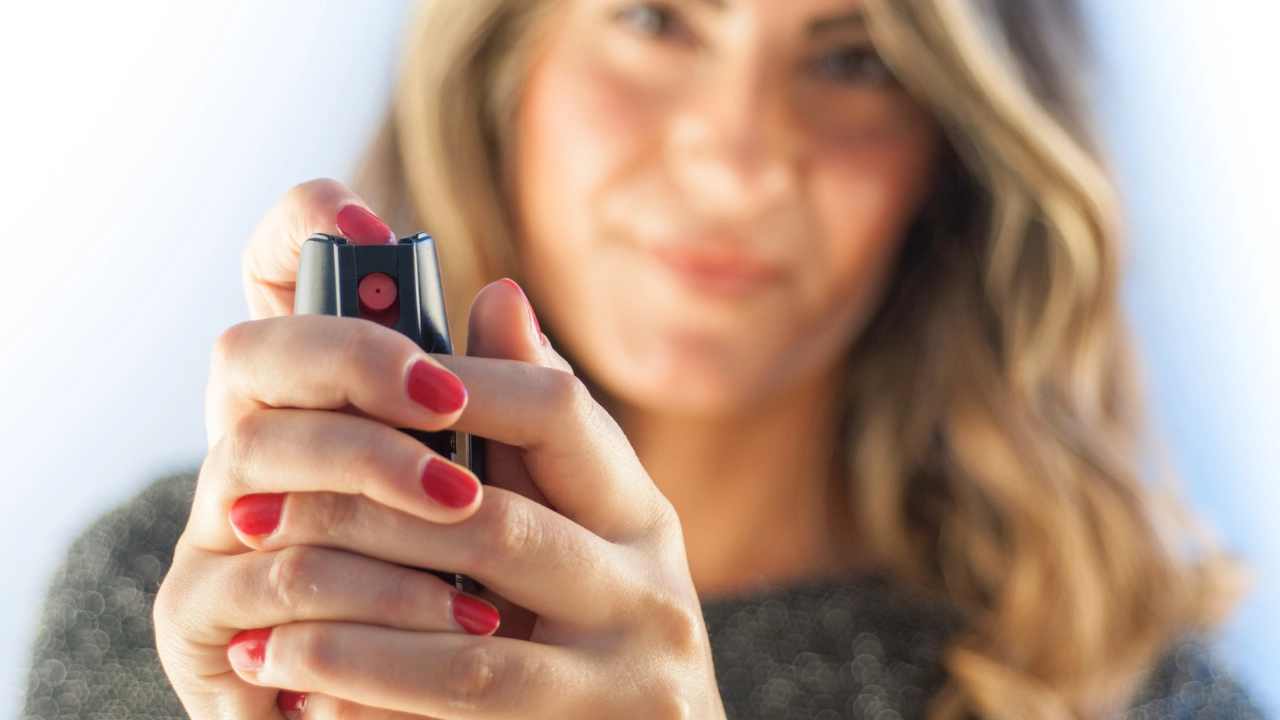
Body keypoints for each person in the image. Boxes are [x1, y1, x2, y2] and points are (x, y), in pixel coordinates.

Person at [23, 1, 1266, 718]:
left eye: (851, 59)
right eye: (656, 17)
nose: (733, 157)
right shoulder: (171, 606)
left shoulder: (1134, 696)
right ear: (505, 64)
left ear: (950, 155)